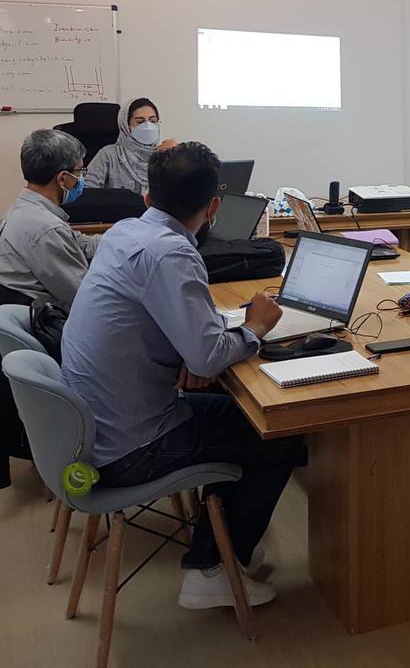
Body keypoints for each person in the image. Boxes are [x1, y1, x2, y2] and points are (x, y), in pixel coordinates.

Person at [61, 142, 305, 610]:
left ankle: (224, 542)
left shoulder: (123, 232)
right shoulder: (171, 253)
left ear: (146, 195)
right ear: (213, 207)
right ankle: (212, 568)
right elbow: (208, 357)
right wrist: (256, 326)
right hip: (129, 447)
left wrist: (193, 349)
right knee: (277, 434)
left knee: (237, 412)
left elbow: (173, 334)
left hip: (91, 427)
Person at [0, 129, 100, 308]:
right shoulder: (47, 229)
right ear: (62, 178)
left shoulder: (25, 208)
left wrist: (123, 238)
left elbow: (79, 242)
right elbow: (85, 298)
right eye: (80, 172)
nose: (81, 179)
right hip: (45, 316)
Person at [86, 97, 176, 194]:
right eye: (140, 122)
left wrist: (179, 154)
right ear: (126, 125)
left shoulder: (167, 152)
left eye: (153, 121)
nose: (148, 126)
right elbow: (87, 191)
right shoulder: (108, 155)